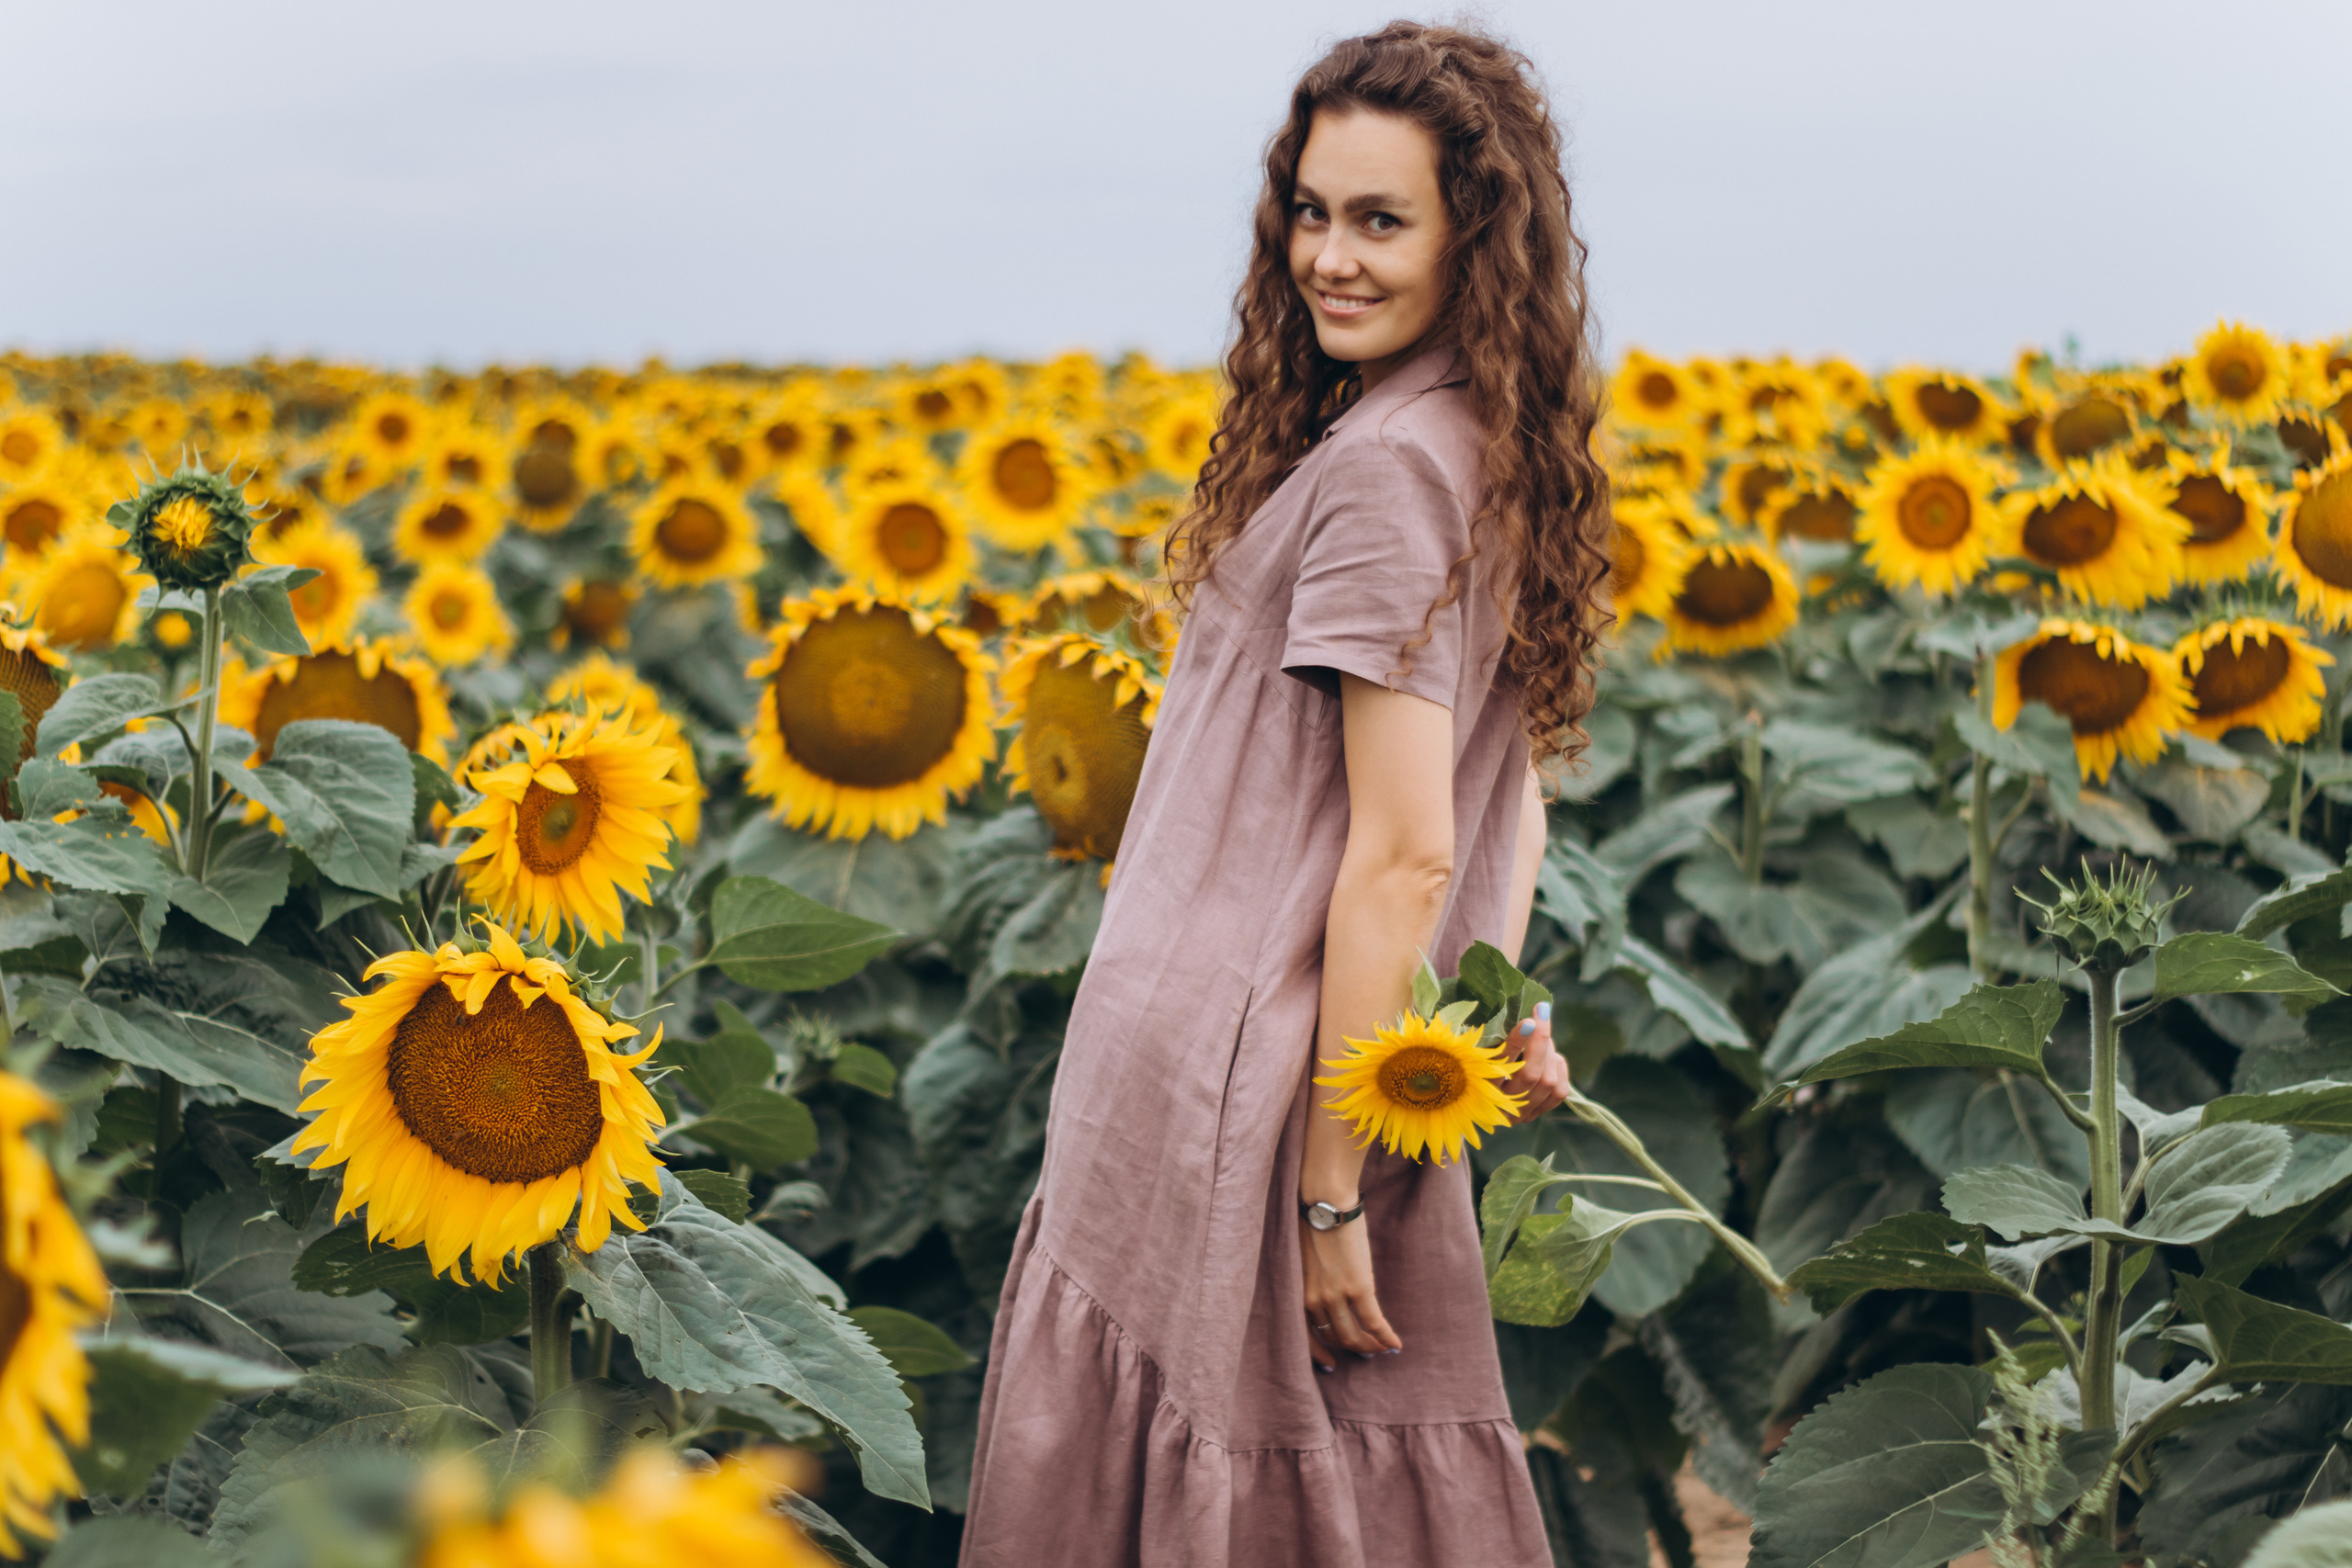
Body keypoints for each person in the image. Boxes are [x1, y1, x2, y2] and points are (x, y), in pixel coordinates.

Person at [959, 20, 1612, 1566]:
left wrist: (1327, 1182)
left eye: (1382, 220)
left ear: (1478, 235)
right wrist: (1480, 1007)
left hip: (1249, 1084)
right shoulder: (1483, 443)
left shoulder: (1387, 473)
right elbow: (1515, 788)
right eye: (1312, 213)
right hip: (1342, 1051)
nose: (1332, 257)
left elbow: (1404, 850)